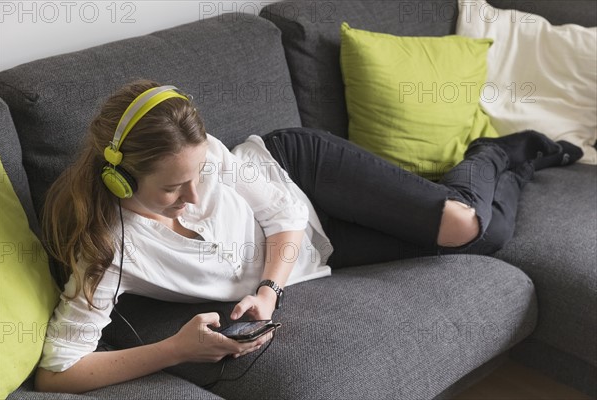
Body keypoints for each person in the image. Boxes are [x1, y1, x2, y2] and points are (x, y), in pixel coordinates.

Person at [35, 80, 582, 393]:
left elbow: (285, 215)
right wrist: (176, 349)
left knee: (464, 225)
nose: (195, 198)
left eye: (197, 176)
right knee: (488, 238)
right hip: (319, 251)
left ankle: (497, 152)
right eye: (172, 189)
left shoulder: (210, 159)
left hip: (301, 173)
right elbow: (59, 371)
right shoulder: (106, 250)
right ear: (119, 178)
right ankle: (506, 165)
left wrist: (268, 290)